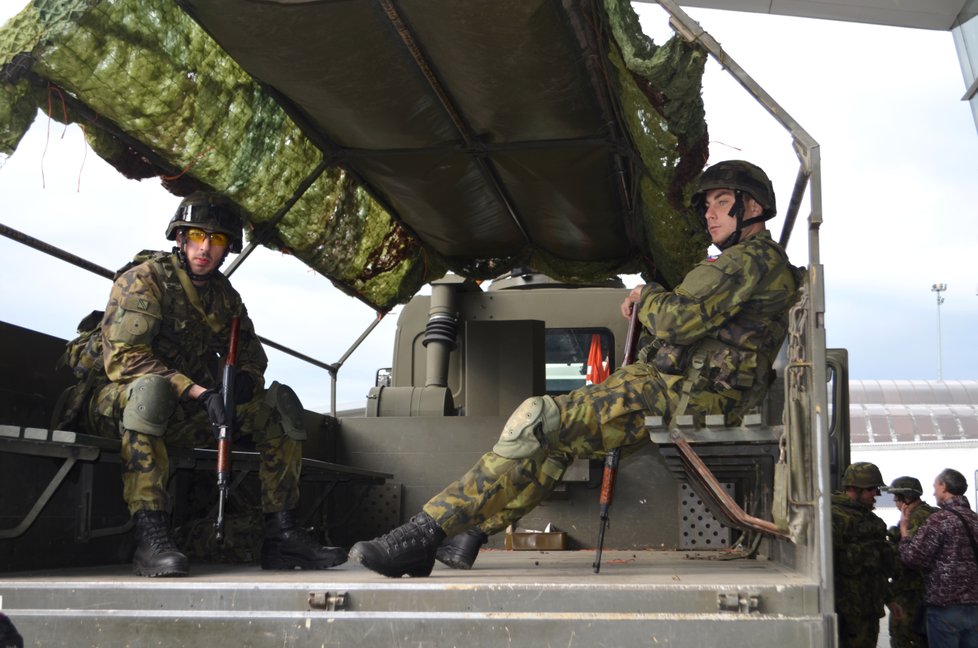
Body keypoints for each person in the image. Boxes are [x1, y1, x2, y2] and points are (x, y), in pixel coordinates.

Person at [349, 160, 804, 577]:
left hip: (677, 394)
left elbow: (675, 321)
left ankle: (422, 533)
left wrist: (647, 296)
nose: (710, 214)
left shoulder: (748, 261)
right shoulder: (755, 265)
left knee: (537, 419)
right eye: (707, 206)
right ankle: (469, 532)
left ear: (755, 207)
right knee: (558, 447)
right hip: (676, 390)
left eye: (722, 203)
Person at [60, 192, 346, 577]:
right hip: (113, 404)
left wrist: (242, 383)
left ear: (228, 249)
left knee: (279, 408)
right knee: (150, 393)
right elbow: (125, 359)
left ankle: (282, 535)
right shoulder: (144, 280)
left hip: (183, 410)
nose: (205, 248)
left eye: (218, 240)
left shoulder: (223, 297)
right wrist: (199, 392)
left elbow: (251, 354)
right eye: (197, 235)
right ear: (179, 237)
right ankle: (151, 537)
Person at [898, 468, 978, 648]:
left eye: (935, 486)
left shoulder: (939, 520)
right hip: (974, 607)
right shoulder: (975, 519)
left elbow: (912, 558)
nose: (933, 492)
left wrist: (904, 534)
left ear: (944, 486)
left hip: (944, 608)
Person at [831, 462, 894, 648]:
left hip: (869, 610)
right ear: (853, 489)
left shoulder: (874, 521)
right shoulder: (834, 516)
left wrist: (889, 598)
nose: (876, 494)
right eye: (871, 489)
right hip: (846, 612)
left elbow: (881, 568)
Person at [885, 476, 937, 648]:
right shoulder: (932, 513)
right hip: (929, 592)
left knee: (906, 638)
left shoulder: (915, 519)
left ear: (906, 498)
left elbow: (907, 557)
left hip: (911, 592)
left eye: (896, 497)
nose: (893, 500)